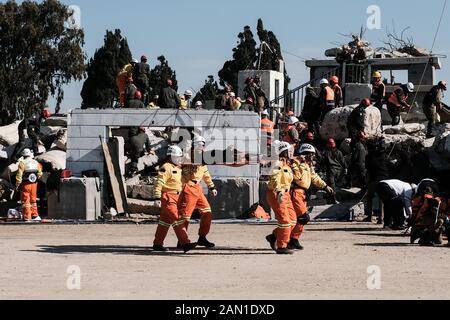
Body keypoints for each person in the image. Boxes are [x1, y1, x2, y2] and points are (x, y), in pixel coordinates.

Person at [152, 146, 197, 253]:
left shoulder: (179, 168)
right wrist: (157, 197)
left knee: (164, 222)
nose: (179, 159)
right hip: (168, 197)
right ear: (171, 157)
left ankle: (157, 244)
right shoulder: (166, 168)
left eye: (180, 157)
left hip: (177, 197)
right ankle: (185, 243)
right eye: (177, 157)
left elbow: (186, 179)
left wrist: (192, 170)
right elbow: (159, 182)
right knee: (177, 220)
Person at [289, 144, 335, 250]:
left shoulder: (308, 165)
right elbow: (297, 178)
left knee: (300, 219)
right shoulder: (295, 163)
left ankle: (294, 239)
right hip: (295, 192)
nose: (313, 157)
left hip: (303, 193)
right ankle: (280, 237)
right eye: (311, 155)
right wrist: (300, 163)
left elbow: (314, 177)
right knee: (302, 217)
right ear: (305, 154)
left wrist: (325, 186)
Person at [178, 135, 218, 248]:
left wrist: (212, 187)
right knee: (185, 216)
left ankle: (202, 237)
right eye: (200, 145)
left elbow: (205, 173)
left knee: (207, 212)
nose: (202, 147)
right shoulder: (187, 156)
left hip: (198, 189)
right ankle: (182, 240)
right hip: (188, 188)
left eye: (203, 145)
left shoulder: (202, 158)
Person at [265, 141, 297, 255]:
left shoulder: (286, 164)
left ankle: (274, 236)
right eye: (288, 150)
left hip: (286, 194)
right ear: (282, 151)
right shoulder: (277, 163)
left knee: (293, 221)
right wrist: (279, 191)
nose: (291, 152)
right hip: (277, 193)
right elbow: (275, 178)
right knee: (285, 221)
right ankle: (282, 246)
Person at [409, 179, 444, 246]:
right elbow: (417, 214)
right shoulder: (421, 200)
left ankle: (425, 235)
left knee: (438, 241)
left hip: (422, 221)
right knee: (439, 221)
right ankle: (423, 237)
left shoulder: (433, 200)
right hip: (420, 222)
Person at [364, 138, 390, 224]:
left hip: (374, 179)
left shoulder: (369, 157)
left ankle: (369, 216)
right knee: (381, 199)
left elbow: (367, 168)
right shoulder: (384, 156)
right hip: (384, 178)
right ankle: (381, 217)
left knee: (369, 197)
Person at [15, 149, 43, 222]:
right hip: (34, 184)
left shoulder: (22, 163)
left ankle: (27, 217)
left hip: (26, 184)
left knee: (25, 200)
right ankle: (35, 216)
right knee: (33, 200)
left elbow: (19, 175)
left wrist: (17, 184)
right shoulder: (36, 162)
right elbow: (40, 173)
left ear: (23, 155)